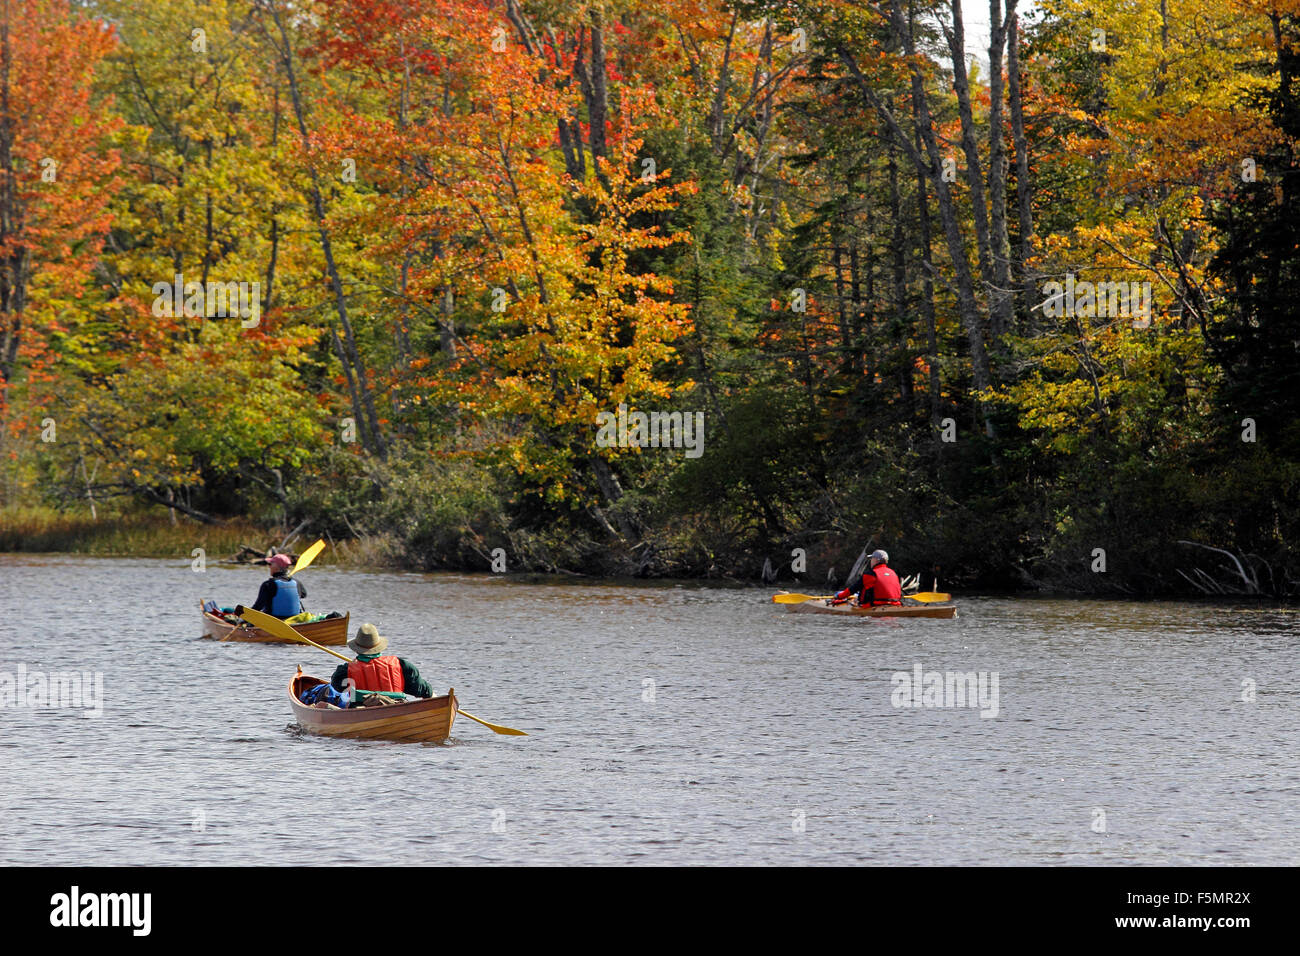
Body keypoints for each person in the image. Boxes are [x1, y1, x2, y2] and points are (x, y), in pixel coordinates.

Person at [330, 623, 435, 702]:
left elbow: (337, 687)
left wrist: (353, 665)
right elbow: (425, 691)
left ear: (356, 649)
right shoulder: (402, 665)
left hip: (361, 711)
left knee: (324, 703)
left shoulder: (345, 670)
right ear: (378, 647)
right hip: (397, 708)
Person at [831, 549, 903, 607]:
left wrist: (839, 596)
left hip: (873, 605)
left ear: (876, 560)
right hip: (895, 604)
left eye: (872, 559)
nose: (871, 561)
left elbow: (852, 589)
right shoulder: (893, 573)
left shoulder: (870, 574)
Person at [251, 553, 307, 619]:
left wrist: (245, 617)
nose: (269, 566)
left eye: (270, 564)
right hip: (294, 620)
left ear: (277, 567)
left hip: (274, 621)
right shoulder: (297, 583)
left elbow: (258, 606)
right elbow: (303, 595)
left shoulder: (268, 584)